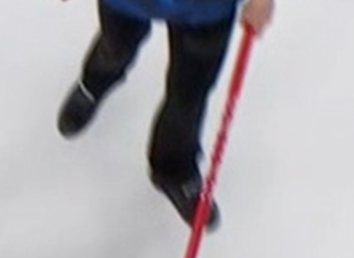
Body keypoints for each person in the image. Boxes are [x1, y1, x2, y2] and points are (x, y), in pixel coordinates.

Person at [53, 0, 276, 229]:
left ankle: (173, 169)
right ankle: (92, 84)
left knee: (189, 92)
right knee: (116, 47)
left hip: (205, 9)